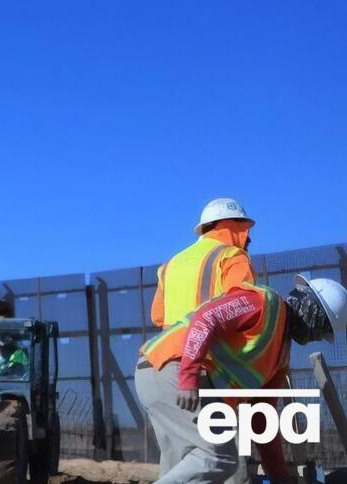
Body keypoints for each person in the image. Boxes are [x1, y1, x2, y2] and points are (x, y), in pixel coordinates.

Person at [135, 275, 347, 484]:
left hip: (161, 377)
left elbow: (262, 422)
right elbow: (206, 319)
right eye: (322, 328)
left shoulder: (280, 359)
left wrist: (281, 479)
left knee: (185, 465)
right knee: (219, 457)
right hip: (172, 370)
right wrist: (188, 377)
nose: (317, 338)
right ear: (311, 308)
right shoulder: (263, 303)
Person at [151, 198, 257, 328]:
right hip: (214, 347)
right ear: (237, 227)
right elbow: (245, 307)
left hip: (171, 347)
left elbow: (157, 317)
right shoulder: (232, 256)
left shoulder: (169, 265)